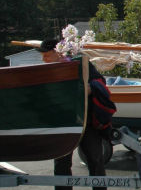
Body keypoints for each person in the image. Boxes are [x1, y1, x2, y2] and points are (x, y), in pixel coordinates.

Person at [38, 39, 112, 190]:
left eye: (46, 56)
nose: (43, 59)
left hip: (86, 121)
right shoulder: (45, 72)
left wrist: (88, 88)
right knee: (61, 163)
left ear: (58, 53)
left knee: (95, 160)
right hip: (62, 123)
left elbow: (99, 82)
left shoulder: (79, 63)